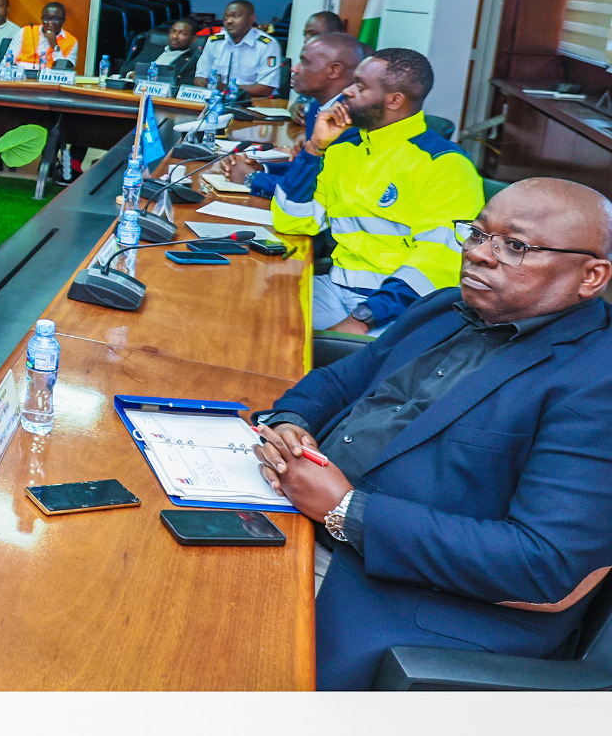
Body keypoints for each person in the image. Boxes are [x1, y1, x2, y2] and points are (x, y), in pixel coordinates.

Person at [252, 177, 612, 690]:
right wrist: (291, 424)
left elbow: (542, 562)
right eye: (477, 234)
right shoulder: (445, 308)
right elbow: (337, 382)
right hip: (289, 506)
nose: (479, 254)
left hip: (401, 597)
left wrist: (346, 511)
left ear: (591, 276)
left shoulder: (597, 382)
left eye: (514, 245)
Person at [272, 47, 484, 332]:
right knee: (254, 312)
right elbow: (292, 221)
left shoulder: (445, 165)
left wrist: (363, 317)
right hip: (335, 288)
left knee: (281, 342)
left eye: (359, 87)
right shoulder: (345, 148)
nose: (346, 92)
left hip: (396, 310)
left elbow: (437, 264)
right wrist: (314, 148)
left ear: (394, 100)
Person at [221, 32, 364, 198]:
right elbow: (304, 169)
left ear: (334, 70)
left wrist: (251, 178)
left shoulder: (348, 120)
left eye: (305, 62)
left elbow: (313, 186)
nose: (294, 68)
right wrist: (262, 169)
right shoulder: (318, 106)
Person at [195, 0, 281, 97]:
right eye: (226, 17)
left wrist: (226, 88)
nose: (229, 21)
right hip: (217, 99)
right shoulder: (214, 42)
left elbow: (266, 88)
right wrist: (202, 83)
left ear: (251, 19)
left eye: (235, 16)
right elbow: (200, 77)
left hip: (255, 101)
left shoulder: (267, 45)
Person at [123, 19, 201, 86]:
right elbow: (125, 70)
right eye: (173, 31)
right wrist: (131, 74)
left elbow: (184, 83)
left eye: (182, 33)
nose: (175, 36)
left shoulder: (192, 61)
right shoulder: (152, 50)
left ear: (193, 39)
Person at [12, 2, 79, 68]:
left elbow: (64, 69)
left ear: (63, 21)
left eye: (55, 20)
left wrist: (54, 46)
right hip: (23, 72)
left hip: (50, 74)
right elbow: (8, 60)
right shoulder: (26, 31)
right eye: (46, 19)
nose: (50, 23)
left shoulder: (71, 41)